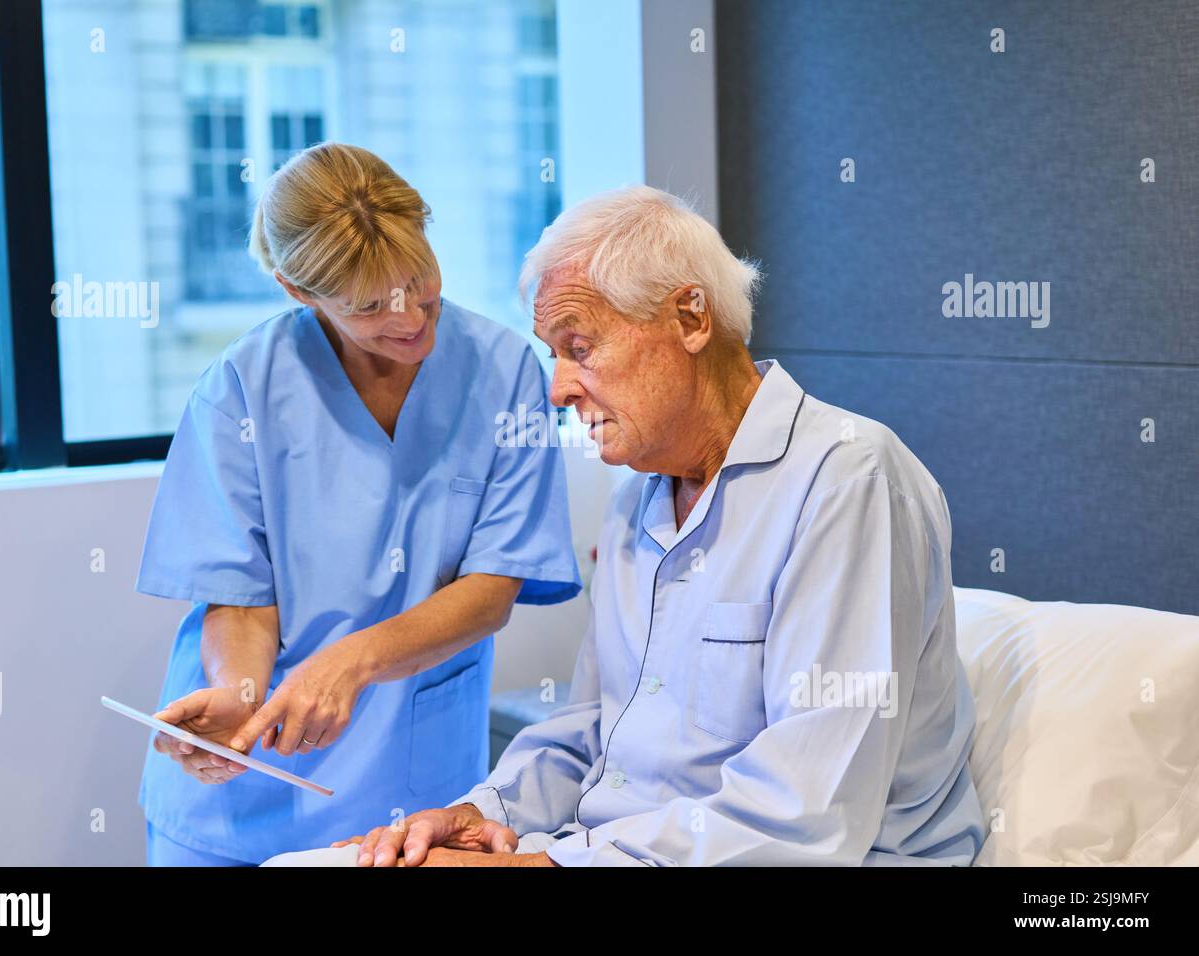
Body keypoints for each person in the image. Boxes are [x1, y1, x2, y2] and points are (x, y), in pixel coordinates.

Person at [296, 184, 984, 867]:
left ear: (690, 318)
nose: (557, 389)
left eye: (580, 346)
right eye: (552, 354)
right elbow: (590, 731)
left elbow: (803, 813)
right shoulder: (639, 503)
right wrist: (483, 816)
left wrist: (539, 867)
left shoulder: (847, 481)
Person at [134, 143, 580, 865]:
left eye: (418, 279)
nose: (408, 316)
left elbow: (494, 589)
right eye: (370, 304)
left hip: (407, 800)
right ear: (299, 291)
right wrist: (241, 696)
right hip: (244, 799)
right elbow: (240, 597)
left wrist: (354, 660)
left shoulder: (504, 373)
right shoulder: (241, 389)